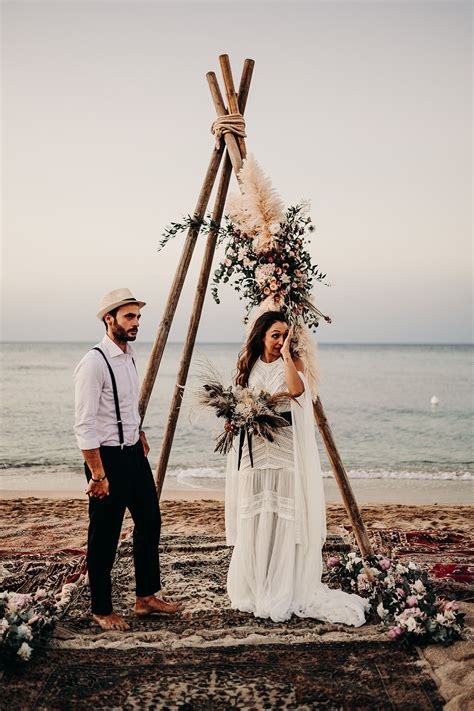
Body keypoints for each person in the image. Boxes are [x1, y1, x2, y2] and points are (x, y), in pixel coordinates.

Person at [225, 311, 370, 626]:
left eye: (285, 336)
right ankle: (256, 584)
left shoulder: (294, 363)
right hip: (254, 452)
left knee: (281, 516)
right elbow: (239, 401)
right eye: (275, 335)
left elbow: (296, 391)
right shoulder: (247, 366)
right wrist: (234, 418)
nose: (279, 342)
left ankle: (281, 586)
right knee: (255, 515)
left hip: (284, 451)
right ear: (262, 335)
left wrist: (288, 355)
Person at [74, 288, 183, 631]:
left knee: (150, 521)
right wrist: (97, 474)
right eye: (129, 317)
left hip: (133, 454)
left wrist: (138, 431)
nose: (136, 323)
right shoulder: (94, 363)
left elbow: (123, 406)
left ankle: (145, 597)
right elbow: (85, 425)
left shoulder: (129, 354)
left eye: (138, 316)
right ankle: (101, 608)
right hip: (106, 461)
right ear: (110, 319)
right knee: (104, 534)